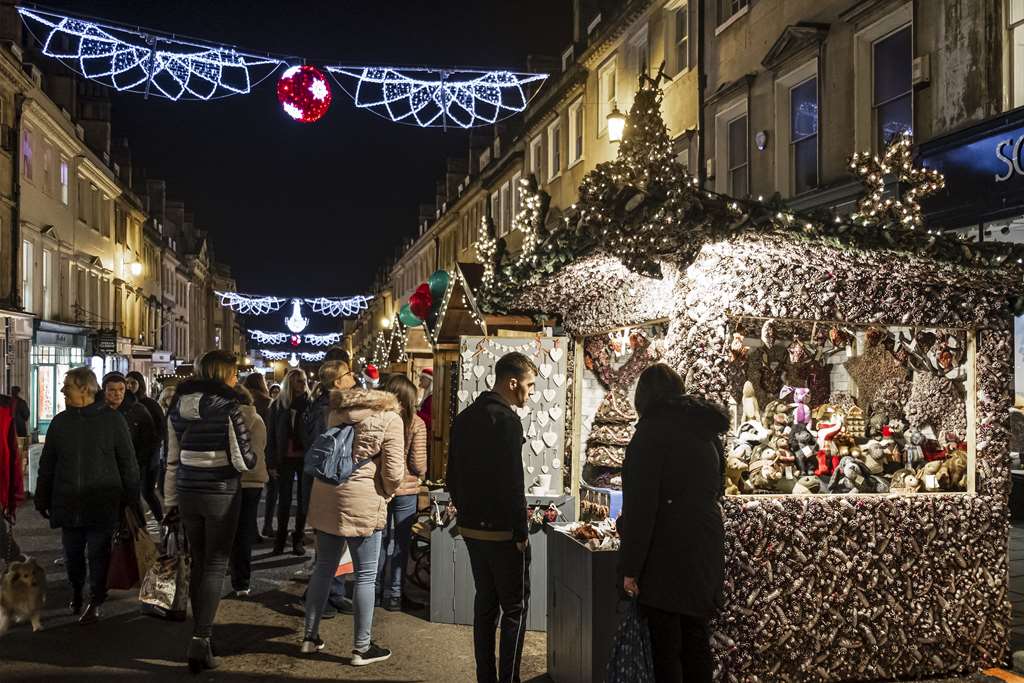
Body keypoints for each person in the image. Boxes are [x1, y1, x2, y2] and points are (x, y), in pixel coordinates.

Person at [618, 363, 728, 683]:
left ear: (643, 397)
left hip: (665, 551)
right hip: (704, 544)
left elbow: (641, 506)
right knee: (696, 638)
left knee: (665, 647)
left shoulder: (650, 434)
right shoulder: (705, 430)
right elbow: (718, 487)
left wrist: (630, 567)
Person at [164, 350, 255, 674]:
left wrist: (170, 500)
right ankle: (201, 639)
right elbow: (244, 459)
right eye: (233, 373)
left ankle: (200, 633)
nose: (236, 378)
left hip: (188, 490)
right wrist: (253, 459)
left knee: (200, 561)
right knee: (216, 563)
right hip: (220, 490)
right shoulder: (228, 406)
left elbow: (171, 457)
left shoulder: (177, 405)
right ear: (222, 375)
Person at [447, 352, 536, 683]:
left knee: (485, 604)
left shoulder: (465, 418)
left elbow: (451, 476)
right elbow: (514, 481)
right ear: (512, 383)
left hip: (472, 529)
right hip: (503, 532)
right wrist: (520, 531)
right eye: (529, 385)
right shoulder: (507, 421)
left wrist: (467, 513)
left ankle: (485, 676)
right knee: (514, 608)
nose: (530, 392)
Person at [302, 385, 404, 664]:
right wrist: (387, 492)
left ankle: (309, 637)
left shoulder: (336, 413)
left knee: (323, 568)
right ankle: (361, 647)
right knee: (366, 576)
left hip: (326, 494)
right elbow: (394, 471)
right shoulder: (390, 419)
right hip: (363, 499)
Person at [34, 367, 139, 625]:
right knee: (72, 555)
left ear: (85, 389)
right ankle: (76, 590)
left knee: (98, 554)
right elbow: (48, 463)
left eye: (68, 385)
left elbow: (128, 462)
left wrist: (132, 499)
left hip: (102, 501)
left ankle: (96, 599)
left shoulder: (112, 420)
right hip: (68, 500)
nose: (63, 390)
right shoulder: (60, 422)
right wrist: (42, 496)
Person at [376, 374, 427, 611]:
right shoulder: (416, 423)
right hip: (406, 489)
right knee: (401, 541)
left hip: (380, 487)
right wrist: (420, 472)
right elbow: (418, 464)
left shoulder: (378, 419)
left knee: (380, 539)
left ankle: (374, 591)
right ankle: (395, 594)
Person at [103, 372, 160, 522]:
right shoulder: (98, 412)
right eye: (112, 390)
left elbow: (149, 440)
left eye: (121, 389)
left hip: (131, 466)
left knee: (132, 504)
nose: (117, 394)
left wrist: (138, 463)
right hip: (105, 469)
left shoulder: (138, 410)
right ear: (104, 391)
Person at [267, 368, 311, 556]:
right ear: (290, 383)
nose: (302, 384)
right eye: (298, 380)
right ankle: (280, 539)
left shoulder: (310, 404)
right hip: (284, 458)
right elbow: (271, 436)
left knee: (303, 501)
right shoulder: (278, 405)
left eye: (304, 380)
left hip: (304, 458)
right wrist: (271, 463)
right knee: (284, 501)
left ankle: (298, 539)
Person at [229, 385, 268, 596]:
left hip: (232, 479)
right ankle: (242, 582)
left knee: (227, 530)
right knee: (244, 532)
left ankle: (227, 569)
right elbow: (262, 446)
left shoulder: (228, 419)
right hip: (254, 480)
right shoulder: (258, 419)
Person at [126, 371, 166, 520]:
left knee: (147, 491)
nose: (130, 386)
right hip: (133, 455)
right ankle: (138, 525)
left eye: (133, 383)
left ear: (140, 384)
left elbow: (161, 429)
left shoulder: (150, 404)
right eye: (127, 383)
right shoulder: (125, 405)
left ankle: (161, 520)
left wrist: (154, 448)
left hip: (150, 455)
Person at [243, 373, 275, 539]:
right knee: (270, 492)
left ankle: (251, 529)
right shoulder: (268, 403)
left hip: (244, 456)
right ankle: (266, 525)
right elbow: (270, 431)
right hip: (264, 452)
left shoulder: (240, 405)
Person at [157, 384, 177, 496]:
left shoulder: (177, 413)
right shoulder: (161, 412)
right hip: (162, 450)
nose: (171, 400)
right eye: (168, 397)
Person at [416, 368, 432, 434]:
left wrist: (415, 412)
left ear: (429, 380)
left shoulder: (431, 398)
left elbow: (431, 420)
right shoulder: (428, 396)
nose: (420, 380)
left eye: (422, 378)